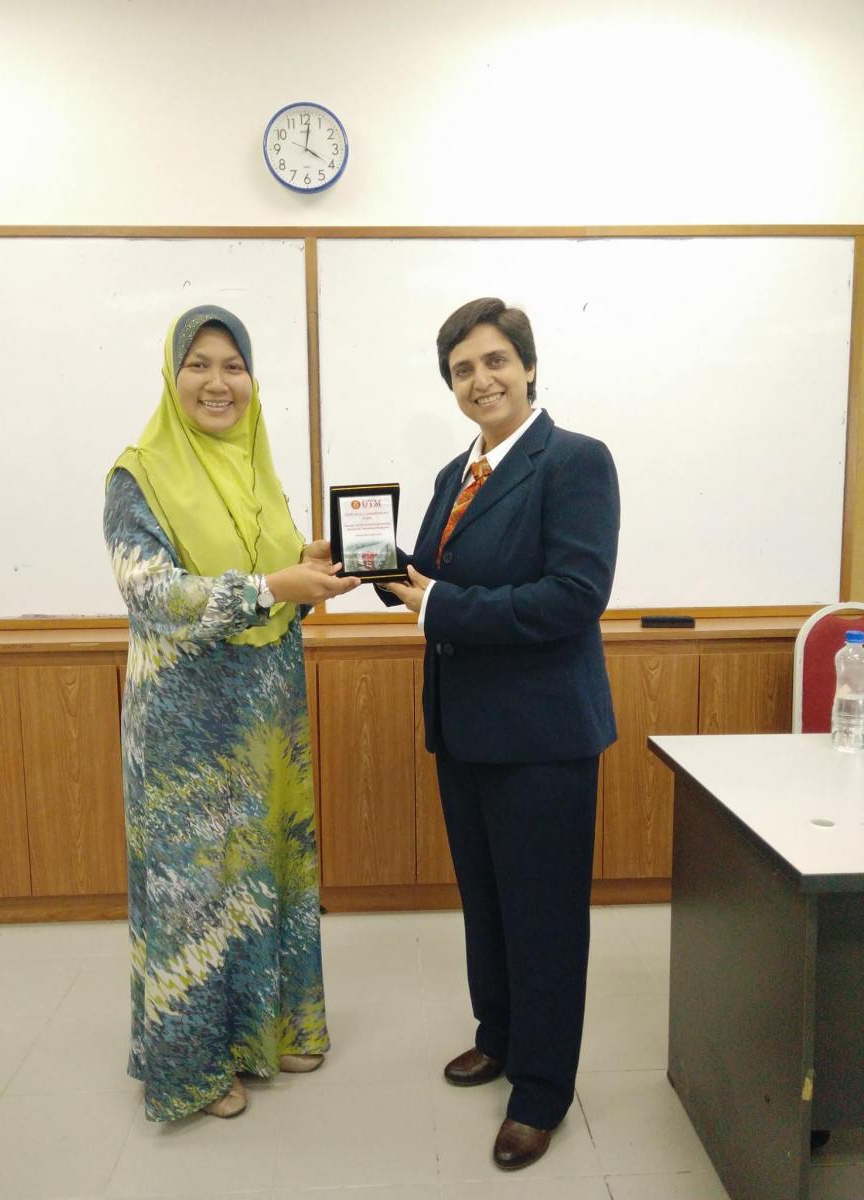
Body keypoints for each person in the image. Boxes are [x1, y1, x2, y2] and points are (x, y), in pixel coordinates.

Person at [104, 304, 359, 1122]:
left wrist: (307, 570)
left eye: (234, 366)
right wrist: (271, 586)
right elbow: (153, 595)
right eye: (199, 364)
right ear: (172, 374)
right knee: (197, 891)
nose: (219, 383)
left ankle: (269, 1032)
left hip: (264, 723)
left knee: (264, 877)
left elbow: (274, 585)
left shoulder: (258, 468)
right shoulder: (137, 476)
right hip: (186, 733)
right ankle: (196, 1066)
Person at [383, 297, 619, 1170]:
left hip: (542, 737)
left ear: (527, 367)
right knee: (486, 904)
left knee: (544, 918)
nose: (480, 380)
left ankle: (543, 1089)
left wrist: (440, 604)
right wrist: (364, 563)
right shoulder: (459, 472)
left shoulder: (576, 461)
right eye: (462, 370)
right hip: (465, 728)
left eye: (494, 362)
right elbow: (430, 577)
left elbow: (573, 597)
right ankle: (500, 1037)